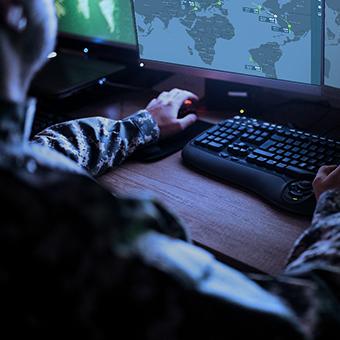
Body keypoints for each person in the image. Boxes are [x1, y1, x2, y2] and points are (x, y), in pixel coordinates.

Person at [0, 0, 339, 339]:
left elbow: (38, 152)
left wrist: (140, 126)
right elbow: (304, 324)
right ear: (12, 11)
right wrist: (333, 210)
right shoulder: (66, 227)